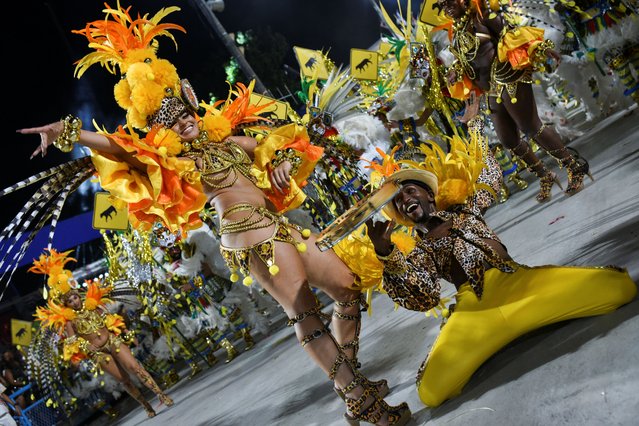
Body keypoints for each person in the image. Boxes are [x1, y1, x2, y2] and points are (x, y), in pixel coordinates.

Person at [16, 4, 410, 425]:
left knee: (348, 289)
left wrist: (282, 167)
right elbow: (121, 149)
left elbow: (285, 145)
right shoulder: (175, 165)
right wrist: (69, 132)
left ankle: (352, 386)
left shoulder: (229, 142)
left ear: (192, 106)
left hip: (279, 227)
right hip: (247, 236)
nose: (183, 123)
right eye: (172, 121)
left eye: (185, 114)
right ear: (161, 130)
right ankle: (363, 402)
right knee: (305, 313)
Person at [364, 132, 637, 408]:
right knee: (431, 392)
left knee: (620, 287)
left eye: (410, 190)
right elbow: (425, 298)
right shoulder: (416, 252)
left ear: (427, 194)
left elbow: (490, 176)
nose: (404, 199)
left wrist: (474, 127)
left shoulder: (466, 209)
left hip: (521, 286)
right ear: (400, 215)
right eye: (397, 201)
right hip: (475, 315)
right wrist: (386, 253)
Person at [439, 0, 593, 202]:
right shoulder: (457, 31)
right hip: (490, 89)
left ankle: (574, 167)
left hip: (507, 76)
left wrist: (540, 48)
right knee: (508, 139)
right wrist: (455, 71)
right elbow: (470, 59)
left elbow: (513, 34)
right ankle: (545, 175)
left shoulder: (483, 15)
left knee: (531, 127)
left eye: (450, 1)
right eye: (442, 4)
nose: (447, 6)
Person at [29, 248, 173, 418]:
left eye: (74, 297)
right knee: (124, 380)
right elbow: (72, 342)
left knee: (135, 367)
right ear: (66, 304)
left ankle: (160, 394)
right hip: (98, 353)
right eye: (69, 301)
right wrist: (85, 345)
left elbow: (110, 319)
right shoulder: (69, 321)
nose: (74, 301)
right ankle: (146, 405)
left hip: (112, 342)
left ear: (78, 295)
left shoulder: (93, 305)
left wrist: (123, 330)